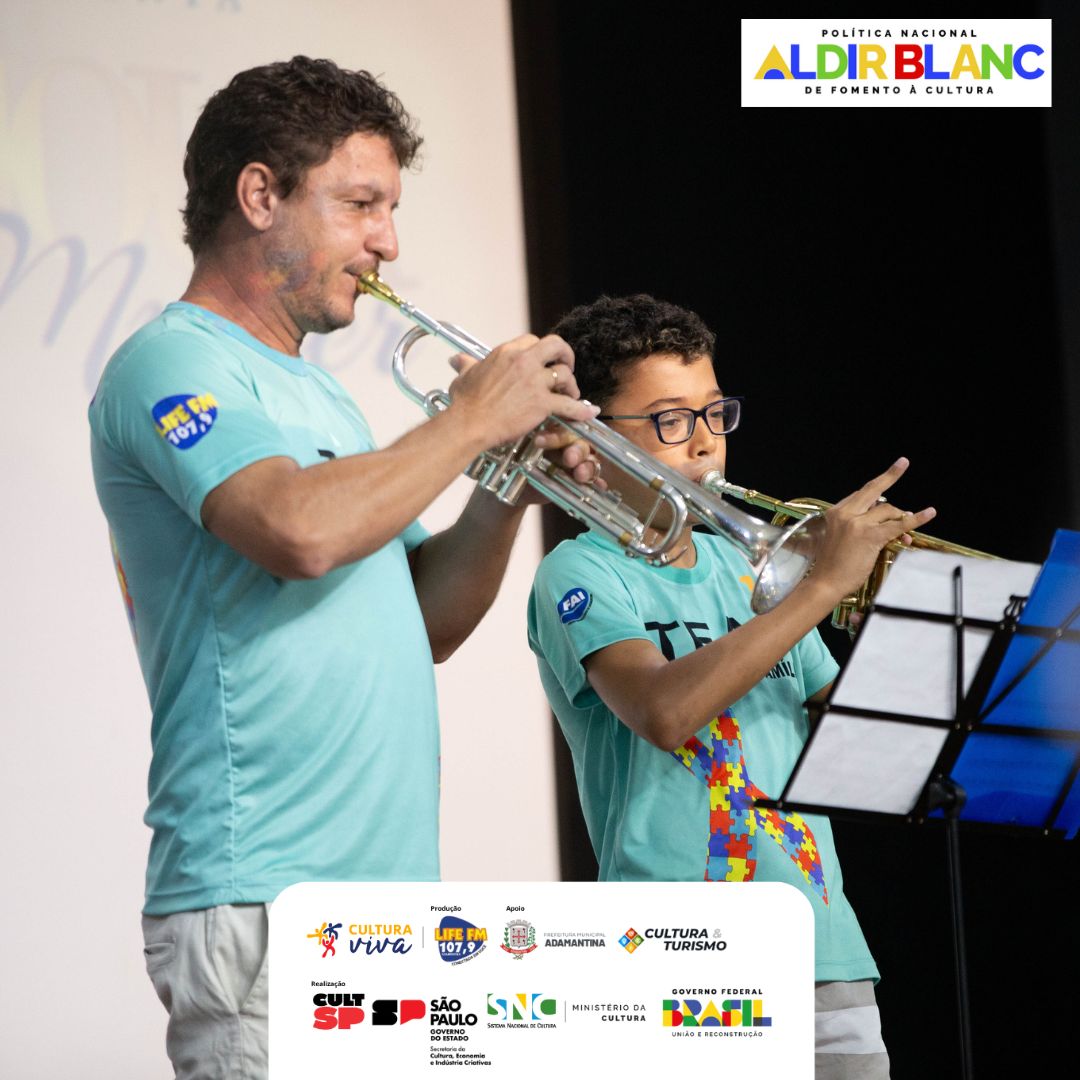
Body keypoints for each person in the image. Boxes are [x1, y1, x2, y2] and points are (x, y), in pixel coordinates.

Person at [89, 56, 598, 1079]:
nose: (388, 242)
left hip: (387, 904)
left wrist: (506, 480)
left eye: (391, 209)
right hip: (266, 894)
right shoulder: (171, 360)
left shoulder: (322, 397)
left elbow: (429, 619)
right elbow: (297, 532)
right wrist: (469, 420)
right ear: (260, 195)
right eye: (362, 204)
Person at [527, 295, 936, 1080]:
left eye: (715, 413)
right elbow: (664, 711)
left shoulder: (754, 571)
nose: (706, 442)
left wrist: (899, 625)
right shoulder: (580, 572)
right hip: (679, 953)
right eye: (671, 421)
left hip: (822, 946)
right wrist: (824, 585)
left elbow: (865, 747)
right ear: (594, 437)